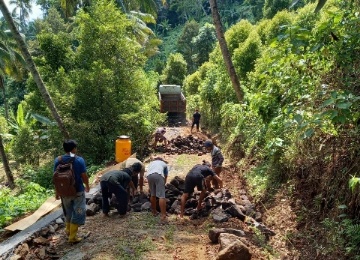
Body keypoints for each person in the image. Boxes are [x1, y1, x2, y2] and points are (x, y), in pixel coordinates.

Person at [54, 140, 89, 243]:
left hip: (64, 192)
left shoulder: (58, 160)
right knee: (78, 212)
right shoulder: (79, 160)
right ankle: (72, 237)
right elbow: (84, 176)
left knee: (68, 212)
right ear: (74, 149)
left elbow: (56, 178)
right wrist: (87, 185)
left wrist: (57, 192)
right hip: (77, 191)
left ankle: (68, 231)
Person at [146, 157, 169, 222]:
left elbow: (149, 172)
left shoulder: (151, 163)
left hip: (149, 176)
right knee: (162, 196)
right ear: (161, 160)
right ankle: (163, 215)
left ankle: (154, 211)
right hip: (159, 175)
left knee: (153, 194)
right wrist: (163, 184)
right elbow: (166, 176)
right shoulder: (164, 164)